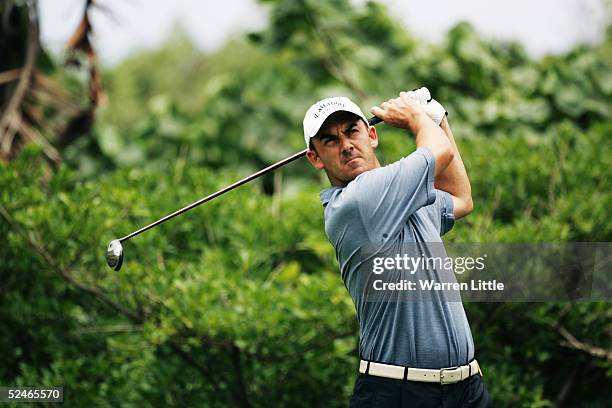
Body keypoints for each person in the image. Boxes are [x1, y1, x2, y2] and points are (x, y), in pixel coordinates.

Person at [303, 89, 492, 407]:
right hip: (398, 392)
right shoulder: (358, 200)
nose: (347, 145)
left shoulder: (404, 195)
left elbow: (461, 199)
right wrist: (418, 115)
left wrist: (436, 115)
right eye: (330, 141)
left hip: (466, 390)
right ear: (315, 158)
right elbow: (439, 152)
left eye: (352, 131)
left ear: (372, 135)